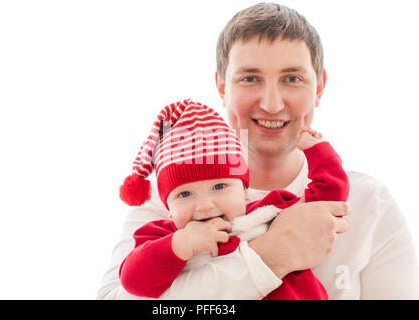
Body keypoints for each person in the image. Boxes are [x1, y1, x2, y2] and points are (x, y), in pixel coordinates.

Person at [98, 3, 419, 299]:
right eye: (250, 78)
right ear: (222, 87)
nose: (272, 104)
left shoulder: (368, 204)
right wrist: (272, 255)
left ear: (319, 87)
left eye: (292, 78)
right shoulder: (173, 200)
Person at [117, 99, 348, 299]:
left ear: (245, 192)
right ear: (168, 207)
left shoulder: (266, 211)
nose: (205, 205)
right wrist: (182, 243)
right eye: (184, 194)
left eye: (219, 186)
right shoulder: (160, 237)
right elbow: (132, 281)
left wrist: (317, 150)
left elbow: (327, 201)